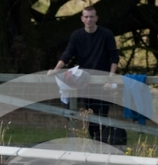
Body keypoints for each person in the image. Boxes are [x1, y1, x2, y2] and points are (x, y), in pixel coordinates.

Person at [48, 6, 119, 143]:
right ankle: (90, 142)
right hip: (84, 80)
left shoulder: (106, 34)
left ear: (96, 18)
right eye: (86, 17)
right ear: (82, 18)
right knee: (88, 112)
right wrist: (56, 70)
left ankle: (103, 144)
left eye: (91, 16)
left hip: (103, 80)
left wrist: (110, 78)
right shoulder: (77, 35)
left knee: (102, 113)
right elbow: (67, 54)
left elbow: (114, 57)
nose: (89, 19)